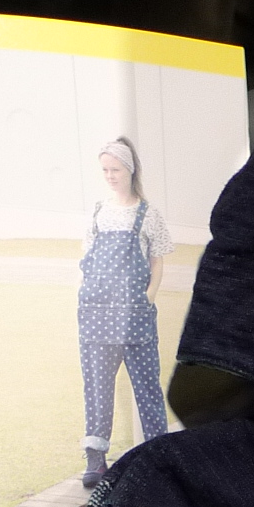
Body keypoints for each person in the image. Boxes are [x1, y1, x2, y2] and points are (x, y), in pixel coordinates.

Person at [76, 137, 175, 488]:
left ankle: (158, 457)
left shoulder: (148, 215)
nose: (110, 176)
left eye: (115, 169)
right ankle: (95, 459)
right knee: (98, 386)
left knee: (147, 387)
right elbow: (87, 260)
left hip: (135, 315)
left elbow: (157, 261)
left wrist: (148, 296)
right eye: (105, 170)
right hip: (97, 315)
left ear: (130, 169)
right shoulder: (98, 212)